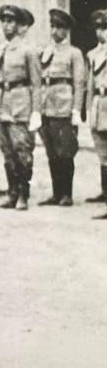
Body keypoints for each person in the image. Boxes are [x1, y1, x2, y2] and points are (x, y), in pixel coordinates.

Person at [0, 5, 43, 210]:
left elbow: (36, 83)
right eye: (4, 21)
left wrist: (36, 111)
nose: (7, 25)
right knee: (7, 150)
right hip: (1, 103)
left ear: (18, 24)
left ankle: (23, 195)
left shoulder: (28, 50)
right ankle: (12, 193)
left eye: (11, 21)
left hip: (21, 104)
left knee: (22, 150)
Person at [37, 8, 86, 206]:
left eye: (59, 27)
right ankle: (56, 193)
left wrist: (76, 110)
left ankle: (67, 193)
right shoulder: (45, 52)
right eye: (53, 26)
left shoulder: (74, 53)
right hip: (46, 107)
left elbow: (80, 83)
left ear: (66, 31)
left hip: (63, 107)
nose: (54, 31)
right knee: (51, 153)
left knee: (65, 152)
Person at [85, 11, 107, 219]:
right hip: (99, 103)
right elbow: (90, 84)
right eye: (98, 29)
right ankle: (105, 192)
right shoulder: (94, 55)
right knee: (102, 153)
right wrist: (88, 107)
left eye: (104, 28)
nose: (101, 33)